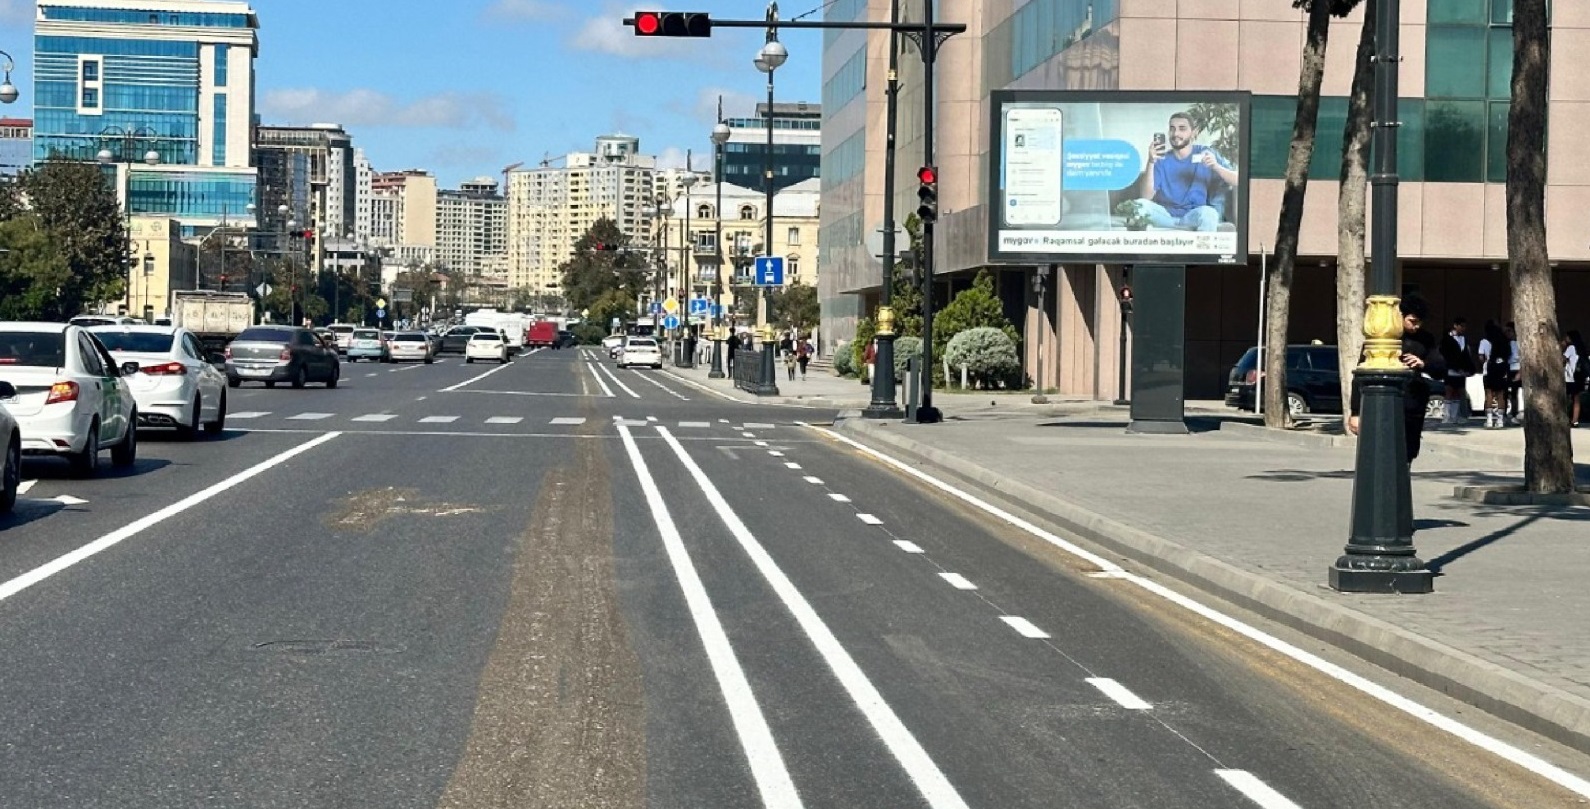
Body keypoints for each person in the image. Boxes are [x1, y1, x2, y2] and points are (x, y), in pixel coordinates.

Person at [1347, 296, 1445, 463]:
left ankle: (1404, 478)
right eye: (1412, 321)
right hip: (1385, 405)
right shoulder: (1382, 338)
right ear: (1401, 316)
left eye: (1420, 322)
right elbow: (1361, 376)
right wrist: (1355, 412)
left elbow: (1440, 369)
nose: (1417, 326)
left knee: (1408, 452)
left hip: (1413, 403)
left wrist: (1423, 363)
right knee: (1382, 450)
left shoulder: (1426, 339)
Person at [1135, 112, 1239, 232]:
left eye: (1182, 129)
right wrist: (1151, 161)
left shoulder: (1206, 153)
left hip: (1193, 215)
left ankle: (1202, 250)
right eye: (1172, 129)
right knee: (1139, 206)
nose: (1176, 134)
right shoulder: (1160, 159)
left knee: (1209, 213)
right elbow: (1145, 197)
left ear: (1193, 132)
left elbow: (1237, 180)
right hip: (1165, 217)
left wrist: (1216, 167)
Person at [1438, 316, 1475, 425]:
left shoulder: (1464, 339)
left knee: (1458, 393)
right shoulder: (1447, 339)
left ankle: (1454, 416)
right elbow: (1445, 354)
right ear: (1455, 326)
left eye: (1464, 326)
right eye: (1461, 326)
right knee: (1449, 391)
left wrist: (1468, 369)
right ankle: (1447, 416)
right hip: (1450, 369)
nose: (1463, 328)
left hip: (1462, 370)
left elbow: (1467, 355)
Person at [1477, 320, 1513, 429]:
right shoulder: (1504, 341)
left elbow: (1481, 357)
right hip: (1502, 368)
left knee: (1489, 394)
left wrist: (1485, 362)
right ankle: (1500, 420)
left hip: (1489, 369)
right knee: (1501, 394)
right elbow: (1509, 356)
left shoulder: (1484, 341)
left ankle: (1489, 420)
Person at [1565, 329, 1585, 428]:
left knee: (1566, 398)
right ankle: (1575, 420)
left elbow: (1562, 358)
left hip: (1570, 377)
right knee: (1576, 399)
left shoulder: (1571, 347)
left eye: (1567, 337)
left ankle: (1566, 417)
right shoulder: (1581, 348)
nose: (1565, 339)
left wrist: (1561, 346)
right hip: (1579, 377)